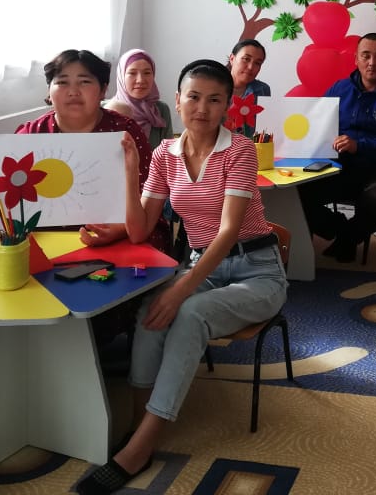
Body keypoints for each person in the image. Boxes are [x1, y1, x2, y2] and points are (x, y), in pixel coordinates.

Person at [76, 59, 287, 495]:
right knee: (151, 310)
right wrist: (132, 171)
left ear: (227, 105)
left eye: (214, 100)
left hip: (258, 270)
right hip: (202, 265)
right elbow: (140, 229)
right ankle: (140, 420)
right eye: (193, 97)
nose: (202, 108)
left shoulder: (240, 150)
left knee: (187, 313)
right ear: (177, 100)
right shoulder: (164, 154)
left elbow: (228, 232)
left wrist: (181, 290)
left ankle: (141, 446)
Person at [17, 49, 165, 251]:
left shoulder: (125, 133)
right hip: (47, 242)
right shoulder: (30, 135)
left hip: (124, 235)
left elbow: (147, 198)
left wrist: (120, 229)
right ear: (49, 92)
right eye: (62, 82)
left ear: (103, 90)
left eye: (84, 82)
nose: (73, 91)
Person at [299, 33, 376, 263]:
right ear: (356, 59)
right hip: (338, 167)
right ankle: (339, 228)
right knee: (297, 191)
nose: (372, 62)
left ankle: (347, 240)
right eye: (366, 55)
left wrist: (359, 146)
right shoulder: (339, 89)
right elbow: (316, 124)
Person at [105, 48, 175, 151]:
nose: (140, 80)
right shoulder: (105, 109)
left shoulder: (161, 110)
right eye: (132, 73)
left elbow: (169, 153)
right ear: (121, 76)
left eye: (147, 73)